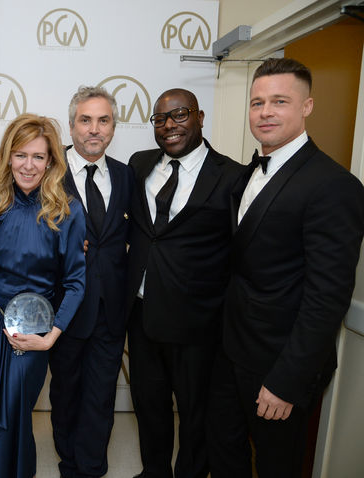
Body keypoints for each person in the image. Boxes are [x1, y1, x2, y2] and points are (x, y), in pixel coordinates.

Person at [208, 57, 364, 478]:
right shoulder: (246, 175)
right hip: (230, 352)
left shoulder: (334, 186)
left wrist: (286, 381)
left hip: (279, 365)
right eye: (257, 102)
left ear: (307, 106)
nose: (265, 112)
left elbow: (327, 297)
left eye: (279, 101)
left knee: (278, 465)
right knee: (223, 454)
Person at [0, 113, 86, 478]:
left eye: (38, 156)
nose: (28, 166)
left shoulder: (67, 211)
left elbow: (76, 282)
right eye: (20, 155)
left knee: (13, 411)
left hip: (32, 333)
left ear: (51, 161)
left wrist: (50, 339)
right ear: (8, 157)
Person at [124, 88, 245, 478]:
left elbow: (240, 251)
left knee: (196, 413)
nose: (169, 125)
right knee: (149, 405)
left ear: (200, 117)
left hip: (197, 322)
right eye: (160, 119)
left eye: (179, 115)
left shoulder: (232, 176)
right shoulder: (139, 163)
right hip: (142, 314)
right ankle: (154, 471)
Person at [48, 86, 134, 478]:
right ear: (71, 126)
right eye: (85, 120)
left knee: (101, 395)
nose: (94, 129)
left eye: (103, 120)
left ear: (113, 127)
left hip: (111, 308)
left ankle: (91, 467)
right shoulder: (47, 171)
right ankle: (69, 462)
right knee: (66, 392)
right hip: (65, 309)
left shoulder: (127, 175)